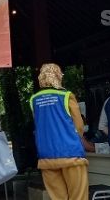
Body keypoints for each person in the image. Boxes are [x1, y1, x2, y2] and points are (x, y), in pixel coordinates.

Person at [30, 63, 88, 200]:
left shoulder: (34, 100)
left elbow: (41, 125)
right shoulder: (67, 96)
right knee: (78, 196)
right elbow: (79, 126)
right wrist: (74, 139)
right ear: (58, 76)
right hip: (70, 154)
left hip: (46, 156)